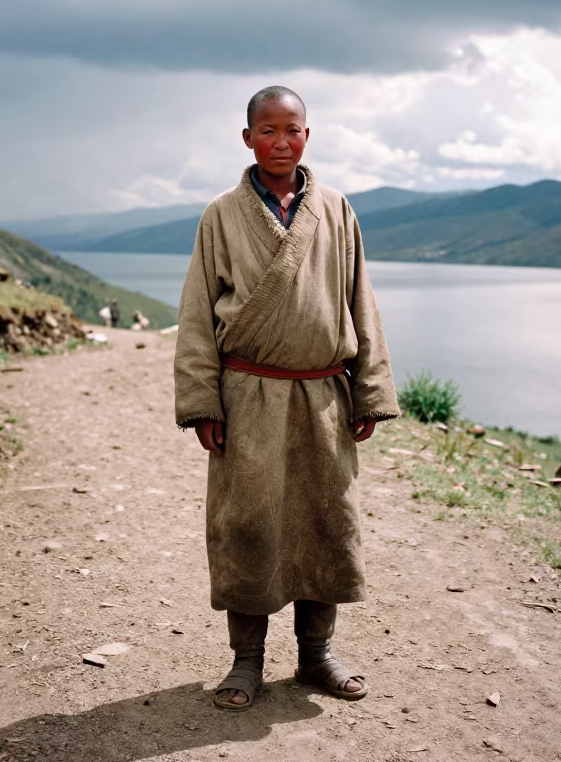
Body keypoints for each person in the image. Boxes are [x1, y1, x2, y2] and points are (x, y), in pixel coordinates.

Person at [174, 85, 399, 711]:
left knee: (325, 523)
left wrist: (370, 390)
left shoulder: (336, 209)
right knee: (247, 524)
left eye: (292, 129)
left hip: (323, 394)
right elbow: (196, 313)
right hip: (248, 394)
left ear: (307, 135)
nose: (281, 140)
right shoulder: (221, 214)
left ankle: (316, 656)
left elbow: (361, 300)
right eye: (267, 130)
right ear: (247, 138)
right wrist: (203, 402)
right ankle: (246, 662)